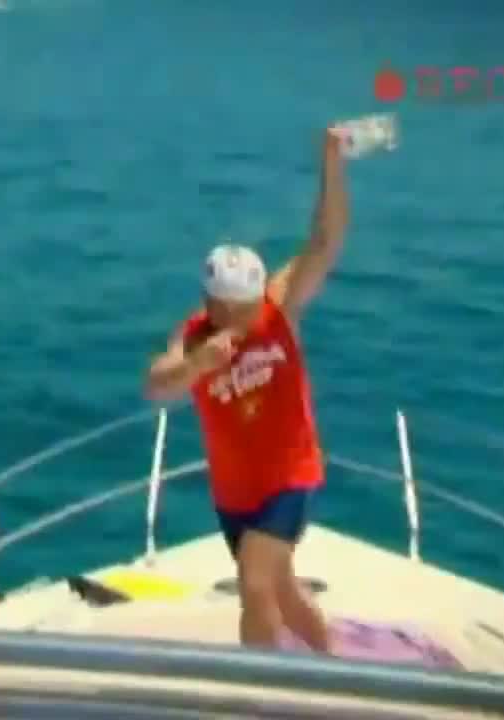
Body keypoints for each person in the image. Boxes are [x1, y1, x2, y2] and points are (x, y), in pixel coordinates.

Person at [144, 126, 349, 653]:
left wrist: (331, 162)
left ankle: (261, 687)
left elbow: (324, 242)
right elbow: (156, 385)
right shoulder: (193, 336)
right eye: (230, 310)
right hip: (234, 493)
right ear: (211, 303)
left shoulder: (279, 307)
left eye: (249, 306)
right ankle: (335, 665)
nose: (244, 318)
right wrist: (197, 365)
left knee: (254, 586)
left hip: (290, 476)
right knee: (281, 591)